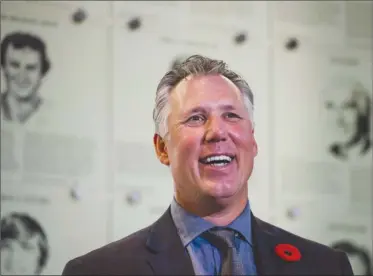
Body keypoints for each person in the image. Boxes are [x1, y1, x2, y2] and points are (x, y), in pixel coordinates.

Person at [62, 55, 354, 275]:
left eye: (231, 116)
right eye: (196, 118)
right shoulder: (98, 271)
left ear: (252, 141)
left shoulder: (327, 267)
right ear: (162, 148)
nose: (217, 132)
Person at [0, 31, 51, 124]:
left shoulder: (56, 115)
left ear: (42, 72)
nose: (22, 76)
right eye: (14, 65)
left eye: (30, 68)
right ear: (4, 67)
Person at [325, 81, 372, 160]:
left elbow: (350, 103)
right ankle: (342, 149)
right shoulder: (361, 96)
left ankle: (342, 149)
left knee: (359, 136)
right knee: (359, 136)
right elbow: (350, 103)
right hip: (362, 116)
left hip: (362, 116)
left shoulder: (360, 96)